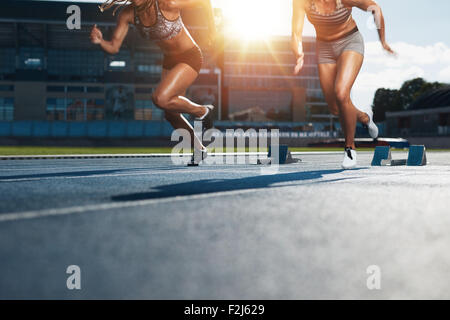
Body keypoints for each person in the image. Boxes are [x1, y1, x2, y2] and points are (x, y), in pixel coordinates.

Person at [91, 0, 216, 164]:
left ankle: (202, 111)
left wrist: (212, 30)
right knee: (170, 113)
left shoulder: (167, 4)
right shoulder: (128, 14)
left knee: (160, 98)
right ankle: (199, 150)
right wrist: (100, 42)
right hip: (169, 60)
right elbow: (114, 47)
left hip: (189, 56)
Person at [292, 0, 395, 169]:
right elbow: (295, 32)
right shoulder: (301, 2)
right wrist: (298, 52)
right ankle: (365, 117)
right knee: (334, 108)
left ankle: (350, 149)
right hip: (324, 49)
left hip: (350, 42)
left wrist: (382, 41)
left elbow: (375, 8)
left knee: (341, 93)